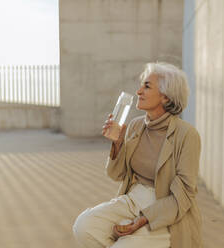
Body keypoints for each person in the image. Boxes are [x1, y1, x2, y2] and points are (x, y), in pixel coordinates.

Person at [73, 62, 202, 248]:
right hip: (132, 199)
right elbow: (116, 175)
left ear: (166, 97)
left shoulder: (187, 135)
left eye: (147, 86)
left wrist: (142, 220)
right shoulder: (135, 125)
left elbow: (184, 195)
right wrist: (117, 144)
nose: (139, 91)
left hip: (165, 210)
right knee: (84, 227)